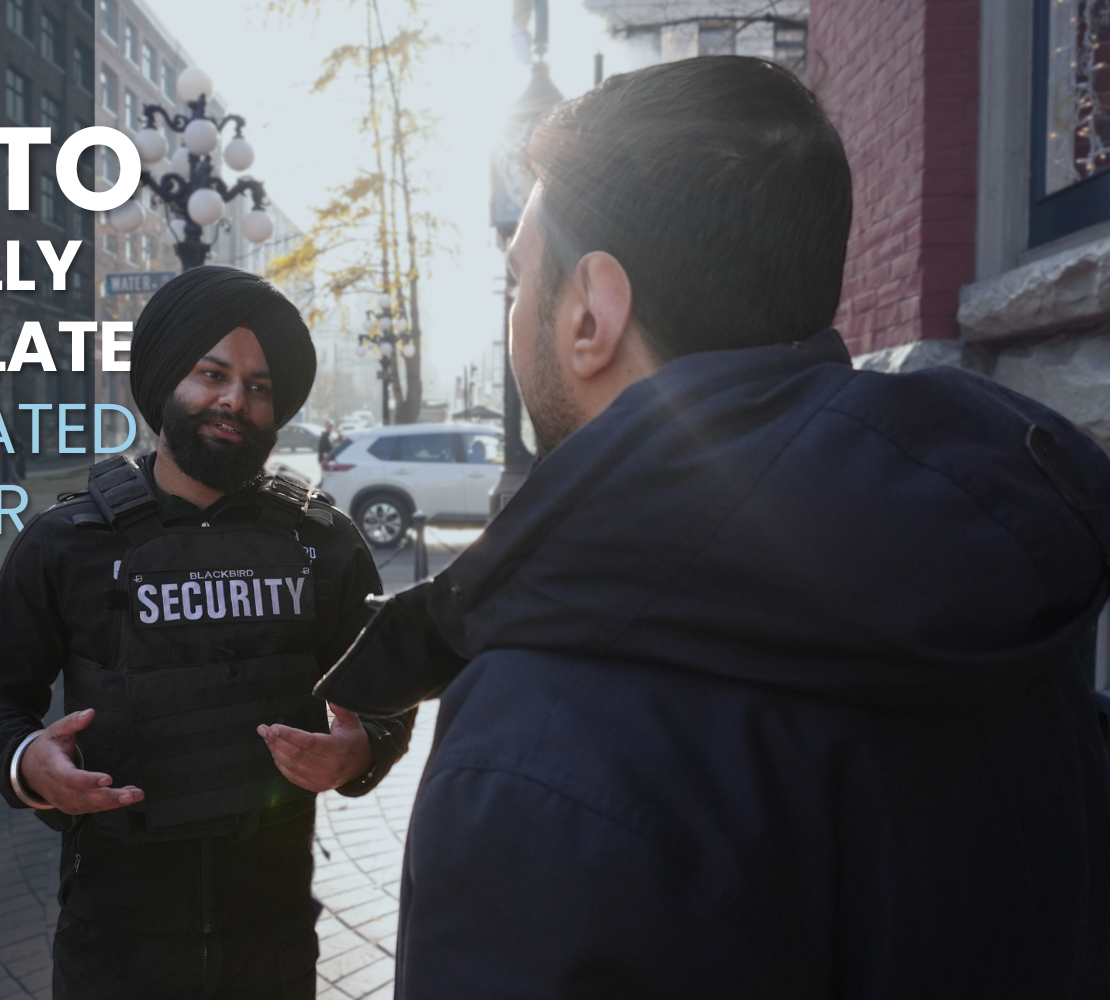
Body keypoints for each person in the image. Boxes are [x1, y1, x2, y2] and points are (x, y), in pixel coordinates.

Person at [317, 57, 1110, 997]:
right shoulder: (1008, 588)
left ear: (590, 315)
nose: (516, 310)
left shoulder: (542, 733)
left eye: (519, 279)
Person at [0, 266, 414, 1000]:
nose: (234, 399)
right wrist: (27, 762)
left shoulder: (325, 544)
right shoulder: (64, 542)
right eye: (212, 373)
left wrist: (363, 750)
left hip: (273, 946)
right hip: (114, 948)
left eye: (260, 386)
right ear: (168, 379)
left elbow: (388, 692)